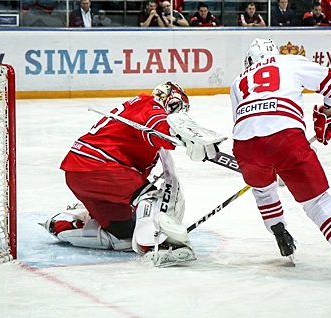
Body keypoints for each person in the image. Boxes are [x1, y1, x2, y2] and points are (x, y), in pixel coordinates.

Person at [229, 38, 331, 284]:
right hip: (285, 137)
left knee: (263, 192)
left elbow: (243, 123)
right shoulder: (289, 61)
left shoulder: (237, 82)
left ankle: (280, 233)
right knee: (317, 201)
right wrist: (329, 111)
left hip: (244, 146)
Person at [40, 82, 223, 266]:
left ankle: (62, 227)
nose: (178, 115)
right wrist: (184, 134)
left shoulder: (139, 115)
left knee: (123, 237)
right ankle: (158, 245)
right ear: (171, 102)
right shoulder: (147, 103)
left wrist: (182, 138)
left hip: (81, 172)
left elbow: (152, 139)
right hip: (99, 166)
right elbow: (159, 125)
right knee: (150, 197)